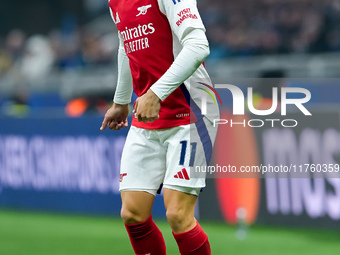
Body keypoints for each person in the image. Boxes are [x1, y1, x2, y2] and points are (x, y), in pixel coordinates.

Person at [100, 0, 219, 254]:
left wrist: (156, 93)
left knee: (178, 214)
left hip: (191, 112)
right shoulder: (115, 3)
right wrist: (121, 101)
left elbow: (198, 46)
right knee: (132, 213)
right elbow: (126, 44)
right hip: (148, 115)